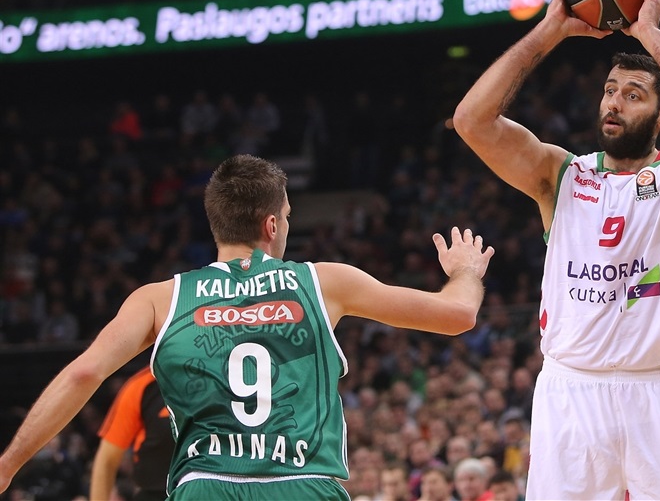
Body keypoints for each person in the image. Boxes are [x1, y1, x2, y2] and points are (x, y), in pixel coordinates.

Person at [0, 155, 494, 500]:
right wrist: (466, 273)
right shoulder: (324, 282)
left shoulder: (159, 298)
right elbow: (457, 316)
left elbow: (83, 375)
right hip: (303, 483)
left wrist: (7, 464)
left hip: (204, 486)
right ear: (273, 225)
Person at [453, 0, 660, 500]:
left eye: (634, 95)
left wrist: (652, 36)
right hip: (571, 389)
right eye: (610, 90)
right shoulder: (559, 175)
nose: (614, 102)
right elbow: (472, 121)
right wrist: (550, 29)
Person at [90, 366, 173, 501]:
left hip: (213, 489)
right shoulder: (143, 385)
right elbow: (107, 460)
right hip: (156, 493)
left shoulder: (218, 376)